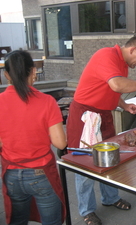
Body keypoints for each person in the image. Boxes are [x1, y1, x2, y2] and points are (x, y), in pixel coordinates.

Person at [66, 34, 136, 225]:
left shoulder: (123, 64)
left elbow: (111, 89)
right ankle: (87, 210)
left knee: (110, 158)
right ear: (132, 49)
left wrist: (124, 105)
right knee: (84, 162)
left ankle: (110, 198)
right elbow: (116, 84)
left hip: (104, 115)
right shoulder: (106, 55)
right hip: (85, 116)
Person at [0, 50, 67, 225]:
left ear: (7, 74)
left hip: (12, 174)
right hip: (42, 173)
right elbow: (60, 142)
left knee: (17, 221)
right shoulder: (47, 102)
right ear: (33, 71)